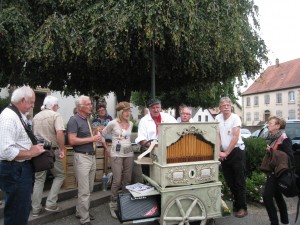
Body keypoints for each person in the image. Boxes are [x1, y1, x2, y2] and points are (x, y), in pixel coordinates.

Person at [0, 86, 45, 225]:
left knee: (20, 210)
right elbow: (5, 151)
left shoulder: (16, 115)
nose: (33, 105)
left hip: (18, 169)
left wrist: (31, 147)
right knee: (17, 214)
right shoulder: (9, 117)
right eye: (31, 102)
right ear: (23, 99)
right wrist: (31, 152)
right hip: (15, 169)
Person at [67, 95, 104, 225]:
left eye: (90, 104)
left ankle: (80, 211)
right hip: (82, 157)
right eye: (88, 104)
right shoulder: (74, 120)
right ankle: (84, 219)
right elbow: (72, 141)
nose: (91, 106)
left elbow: (86, 136)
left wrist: (96, 134)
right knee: (84, 191)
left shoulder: (86, 119)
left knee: (89, 189)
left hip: (91, 156)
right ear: (80, 107)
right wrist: (92, 139)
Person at [31, 96, 65, 216]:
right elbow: (60, 132)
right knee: (60, 175)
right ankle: (50, 203)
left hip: (38, 151)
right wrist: (62, 149)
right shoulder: (56, 115)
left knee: (39, 179)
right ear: (54, 105)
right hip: (52, 151)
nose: (58, 107)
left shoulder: (36, 116)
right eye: (57, 105)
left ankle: (35, 209)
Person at [215, 97, 248, 218]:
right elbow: (218, 135)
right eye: (223, 105)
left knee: (239, 181)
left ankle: (243, 208)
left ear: (231, 106)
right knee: (230, 181)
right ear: (220, 108)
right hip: (224, 153)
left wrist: (226, 153)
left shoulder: (235, 118)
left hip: (236, 152)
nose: (226, 106)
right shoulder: (217, 118)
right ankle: (236, 204)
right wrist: (219, 151)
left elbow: (235, 137)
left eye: (228, 104)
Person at [101, 101, 134, 218]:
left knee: (127, 179)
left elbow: (128, 138)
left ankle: (124, 203)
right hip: (116, 154)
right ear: (120, 112)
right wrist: (106, 148)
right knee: (117, 180)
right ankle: (113, 203)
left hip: (129, 153)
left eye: (129, 111)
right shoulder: (112, 123)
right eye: (126, 111)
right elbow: (102, 135)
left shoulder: (130, 123)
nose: (128, 113)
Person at [262, 116, 293, 225]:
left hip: (278, 173)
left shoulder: (284, 139)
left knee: (266, 197)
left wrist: (272, 151)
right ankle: (285, 222)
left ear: (277, 126)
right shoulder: (274, 137)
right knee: (278, 197)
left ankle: (274, 222)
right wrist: (271, 152)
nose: (268, 125)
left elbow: (289, 157)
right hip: (273, 172)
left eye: (270, 123)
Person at [135, 99, 177, 176]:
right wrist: (154, 146)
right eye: (153, 108)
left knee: (164, 175)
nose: (156, 110)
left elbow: (177, 130)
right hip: (149, 152)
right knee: (148, 176)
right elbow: (141, 139)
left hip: (166, 153)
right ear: (149, 109)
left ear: (161, 108)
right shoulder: (143, 121)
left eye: (158, 107)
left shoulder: (168, 117)